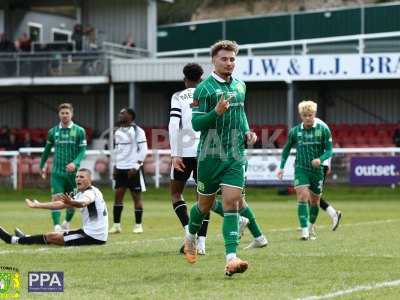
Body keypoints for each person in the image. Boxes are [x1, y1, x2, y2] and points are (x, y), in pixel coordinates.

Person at [183, 40, 258, 277]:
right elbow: (196, 124)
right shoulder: (203, 90)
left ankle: (231, 258)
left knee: (232, 202)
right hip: (209, 157)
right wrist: (216, 112)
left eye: (232, 59)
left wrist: (247, 131)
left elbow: (242, 112)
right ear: (214, 61)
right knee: (203, 207)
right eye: (224, 59)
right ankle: (190, 236)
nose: (229, 63)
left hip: (235, 155)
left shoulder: (240, 86)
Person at [0, 169, 108, 246]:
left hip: (93, 237)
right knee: (56, 234)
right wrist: (38, 205)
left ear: (90, 179)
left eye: (82, 177)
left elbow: (83, 203)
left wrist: (72, 202)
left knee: (51, 237)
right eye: (77, 177)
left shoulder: (90, 193)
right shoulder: (82, 193)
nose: (78, 179)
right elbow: (60, 204)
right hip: (90, 232)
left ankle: (13, 240)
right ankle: (26, 238)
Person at [168, 63, 211, 255]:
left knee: (176, 194)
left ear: (185, 79)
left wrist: (174, 153)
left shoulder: (178, 96)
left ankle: (188, 233)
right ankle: (201, 243)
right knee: (204, 198)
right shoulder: (209, 94)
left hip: (184, 151)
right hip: (206, 150)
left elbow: (173, 124)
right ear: (201, 78)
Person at [277, 100, 333, 240]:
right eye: (305, 115)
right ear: (301, 116)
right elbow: (287, 149)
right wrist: (281, 167)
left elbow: (330, 150)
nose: (308, 117)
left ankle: (310, 226)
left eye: (310, 114)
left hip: (317, 171)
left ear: (314, 114)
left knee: (315, 202)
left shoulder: (323, 130)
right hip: (301, 169)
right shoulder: (295, 131)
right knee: (302, 197)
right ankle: (304, 231)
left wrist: (320, 159)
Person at [39, 103, 87, 232]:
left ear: (72, 114)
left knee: (71, 201)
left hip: (73, 175)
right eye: (62, 113)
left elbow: (83, 151)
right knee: (56, 198)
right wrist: (41, 165)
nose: (65, 115)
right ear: (59, 114)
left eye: (67, 113)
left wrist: (75, 163)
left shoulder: (79, 131)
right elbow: (47, 150)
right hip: (57, 173)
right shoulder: (52, 131)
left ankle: (66, 223)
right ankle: (56, 226)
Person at [109, 108, 148, 234]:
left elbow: (143, 149)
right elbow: (117, 150)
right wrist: (115, 166)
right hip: (120, 169)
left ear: (130, 116)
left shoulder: (138, 131)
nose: (120, 115)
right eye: (119, 113)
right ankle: (116, 225)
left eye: (123, 113)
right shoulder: (118, 131)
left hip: (133, 170)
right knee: (118, 197)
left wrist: (136, 166)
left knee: (136, 198)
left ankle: (138, 225)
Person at [315, 118, 342, 231]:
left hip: (320, 164)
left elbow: (327, 147)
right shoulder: (307, 124)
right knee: (310, 194)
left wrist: (327, 163)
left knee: (312, 195)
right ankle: (333, 214)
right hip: (315, 164)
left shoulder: (320, 126)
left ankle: (309, 224)